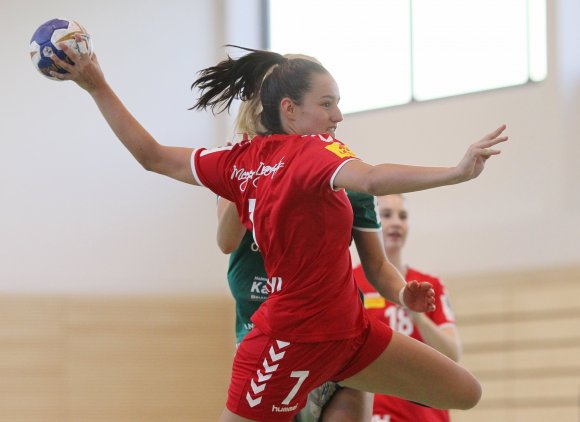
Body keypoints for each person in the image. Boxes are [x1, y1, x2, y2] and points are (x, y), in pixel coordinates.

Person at [49, 41, 508, 422]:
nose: (338, 115)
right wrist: (456, 171)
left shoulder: (239, 162)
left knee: (464, 391)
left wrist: (98, 87)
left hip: (350, 337)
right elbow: (372, 178)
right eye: (327, 104)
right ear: (290, 110)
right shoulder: (304, 154)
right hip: (287, 342)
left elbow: (151, 155)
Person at [354, 194, 461, 422]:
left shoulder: (427, 285)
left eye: (402, 216)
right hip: (371, 413)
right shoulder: (350, 281)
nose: (395, 222)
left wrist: (418, 318)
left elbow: (453, 354)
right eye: (386, 215)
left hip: (423, 414)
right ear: (371, 222)